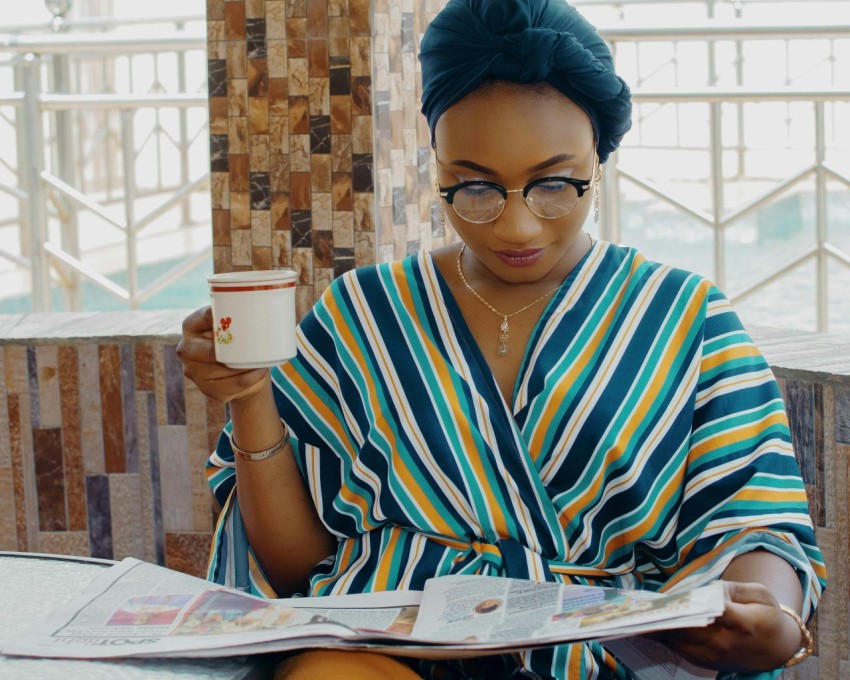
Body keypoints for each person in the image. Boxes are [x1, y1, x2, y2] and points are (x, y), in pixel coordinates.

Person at [177, 1, 826, 677]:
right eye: (475, 188)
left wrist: (775, 623)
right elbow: (296, 566)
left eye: (554, 184)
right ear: (438, 166)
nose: (516, 227)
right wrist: (250, 396)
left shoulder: (689, 320)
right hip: (382, 649)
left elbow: (754, 525)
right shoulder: (361, 314)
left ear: (599, 157)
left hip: (596, 659)